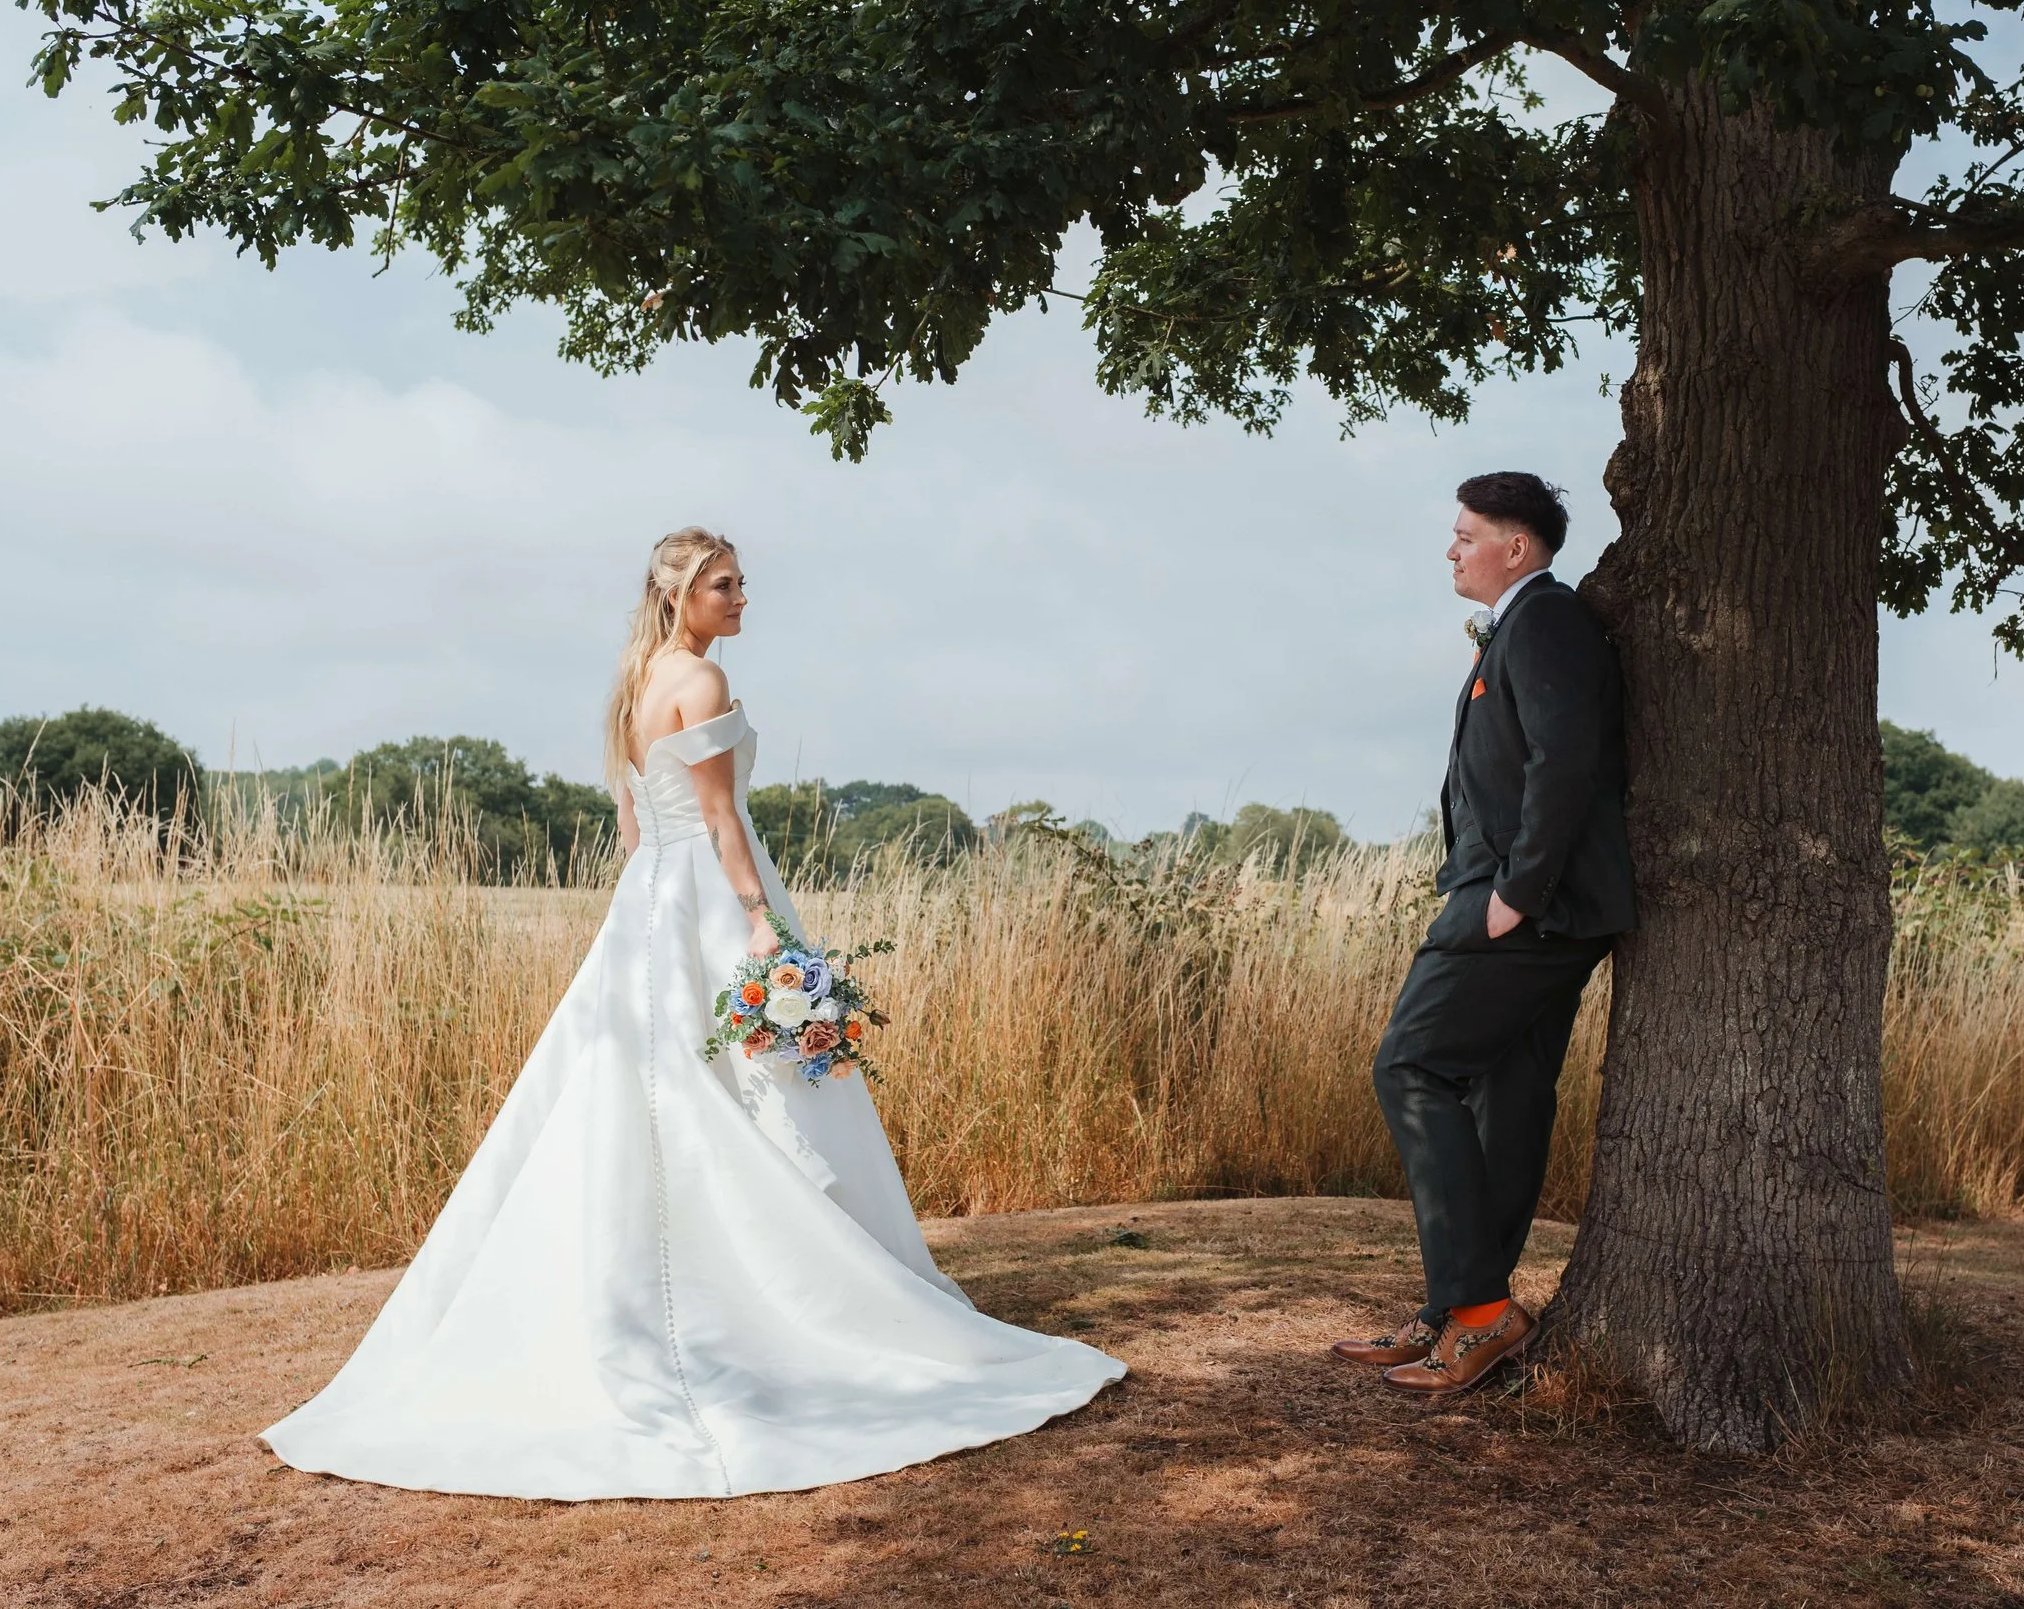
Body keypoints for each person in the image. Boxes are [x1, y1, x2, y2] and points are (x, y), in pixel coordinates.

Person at [262, 527, 1123, 1499]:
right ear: (680, 592)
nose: (744, 597)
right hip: (709, 898)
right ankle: (780, 1310)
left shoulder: (637, 680)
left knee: (642, 1089)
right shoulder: (701, 684)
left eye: (742, 582)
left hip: (648, 903)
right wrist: (762, 926)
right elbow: (719, 820)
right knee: (745, 1090)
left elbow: (635, 824)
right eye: (726, 584)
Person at [1332, 473, 1635, 1395]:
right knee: (1507, 1098)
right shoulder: (1520, 626)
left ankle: (1475, 1307)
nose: (1452, 550)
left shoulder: (1544, 619)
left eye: (1466, 535)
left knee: (1409, 1066)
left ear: (1518, 546)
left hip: (1523, 907)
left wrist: (1517, 890)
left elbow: (1567, 756)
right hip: (1537, 906)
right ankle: (1460, 1312)